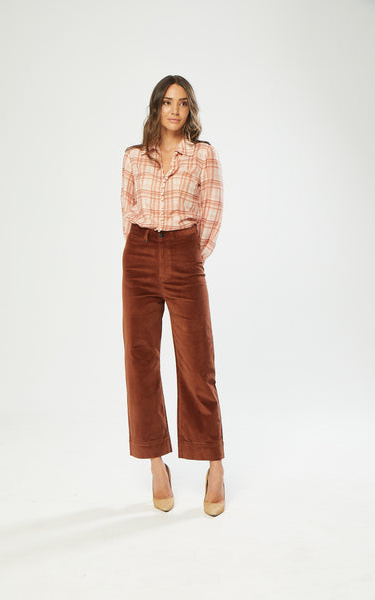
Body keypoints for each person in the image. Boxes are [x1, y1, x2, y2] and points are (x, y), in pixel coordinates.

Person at [120, 75, 225, 516]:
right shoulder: (133, 157)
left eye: (182, 103)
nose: (175, 110)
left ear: (190, 109)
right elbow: (127, 212)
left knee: (198, 364)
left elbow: (212, 212)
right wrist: (144, 250)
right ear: (156, 108)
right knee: (140, 362)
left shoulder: (202, 155)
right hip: (139, 256)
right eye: (167, 102)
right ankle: (156, 464)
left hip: (184, 255)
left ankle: (215, 465)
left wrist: (189, 256)